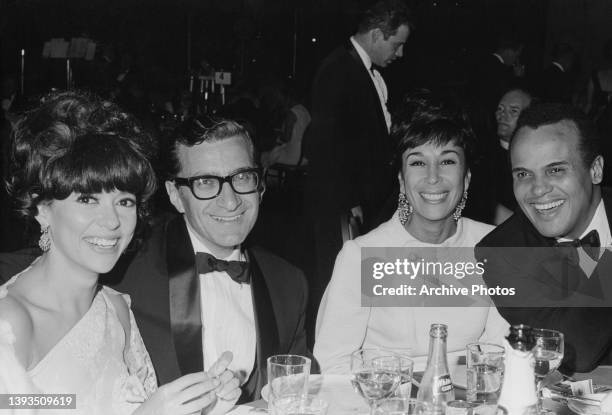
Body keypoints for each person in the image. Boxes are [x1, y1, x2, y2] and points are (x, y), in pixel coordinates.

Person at [0, 91, 241, 414]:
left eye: (124, 201)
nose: (112, 221)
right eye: (87, 199)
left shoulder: (115, 310)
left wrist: (204, 403)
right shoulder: (11, 325)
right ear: (42, 209)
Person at [314, 91, 509, 374]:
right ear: (402, 181)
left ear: (466, 179)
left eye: (447, 161)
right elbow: (334, 364)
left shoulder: (494, 248)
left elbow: (499, 352)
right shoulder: (362, 257)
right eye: (418, 162)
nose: (433, 177)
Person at [476, 103, 612, 373]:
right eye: (524, 174)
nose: (538, 189)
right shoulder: (502, 252)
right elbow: (572, 351)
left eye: (556, 170)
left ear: (595, 169)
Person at [304, 0, 414, 316]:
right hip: (342, 206)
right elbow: (324, 145)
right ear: (378, 34)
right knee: (336, 281)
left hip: (364, 202)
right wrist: (348, 202)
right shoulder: (338, 69)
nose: (400, 53)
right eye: (397, 44)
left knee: (357, 281)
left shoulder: (364, 71)